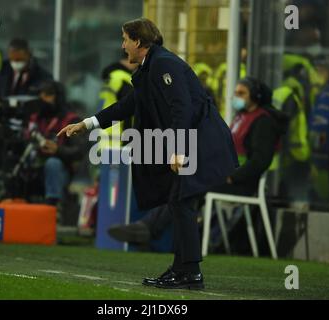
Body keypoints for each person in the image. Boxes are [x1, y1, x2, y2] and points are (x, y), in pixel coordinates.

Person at [58, 18, 238, 290]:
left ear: (139, 42)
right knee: (180, 203)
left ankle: (188, 272)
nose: (123, 46)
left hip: (201, 142)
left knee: (181, 202)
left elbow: (181, 107)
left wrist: (178, 148)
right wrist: (87, 124)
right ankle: (184, 271)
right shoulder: (150, 67)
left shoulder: (164, 64)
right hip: (193, 140)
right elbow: (127, 105)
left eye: (125, 39)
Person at [108, 77, 287, 248]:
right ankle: (150, 229)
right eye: (236, 92)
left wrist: (233, 177)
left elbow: (260, 161)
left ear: (255, 96)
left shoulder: (263, 122)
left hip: (241, 183)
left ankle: (150, 230)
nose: (236, 97)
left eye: (242, 93)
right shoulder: (242, 117)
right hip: (223, 175)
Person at [22, 81, 86, 207]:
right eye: (41, 94)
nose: (42, 99)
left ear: (58, 97)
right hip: (36, 164)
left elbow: (79, 151)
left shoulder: (71, 120)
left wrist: (57, 150)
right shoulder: (35, 118)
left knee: (53, 163)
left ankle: (53, 206)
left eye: (48, 95)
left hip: (62, 169)